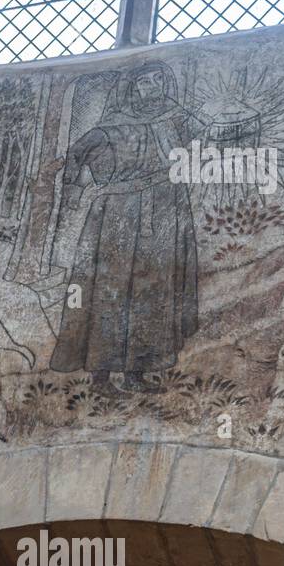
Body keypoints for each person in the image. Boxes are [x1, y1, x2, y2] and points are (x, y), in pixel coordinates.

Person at [49, 62, 201, 393]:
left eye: (157, 79)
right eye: (143, 81)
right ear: (131, 87)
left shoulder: (176, 118)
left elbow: (203, 142)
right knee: (108, 289)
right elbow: (76, 154)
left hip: (164, 209)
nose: (151, 86)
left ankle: (139, 372)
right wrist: (72, 193)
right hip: (117, 215)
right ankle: (101, 375)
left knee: (154, 288)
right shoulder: (112, 125)